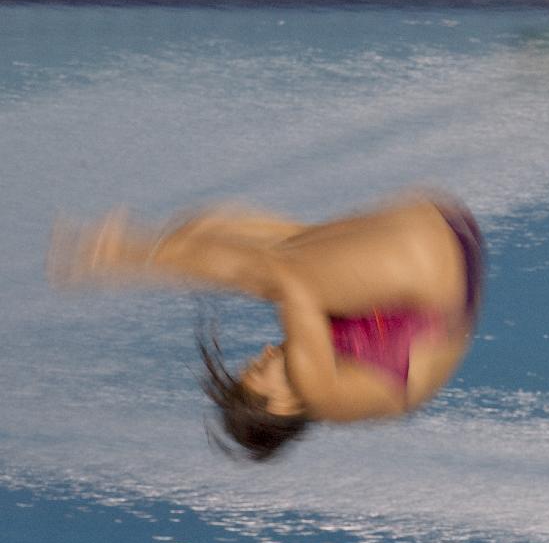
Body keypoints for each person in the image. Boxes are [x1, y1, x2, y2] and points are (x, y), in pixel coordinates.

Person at [48, 190, 484, 460]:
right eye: (259, 371)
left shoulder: (333, 376)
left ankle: (151, 248)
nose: (262, 355)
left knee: (273, 253)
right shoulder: (321, 391)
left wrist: (204, 240)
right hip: (432, 256)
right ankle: (126, 255)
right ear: (279, 407)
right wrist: (153, 257)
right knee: (280, 272)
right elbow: (287, 281)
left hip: (444, 247)